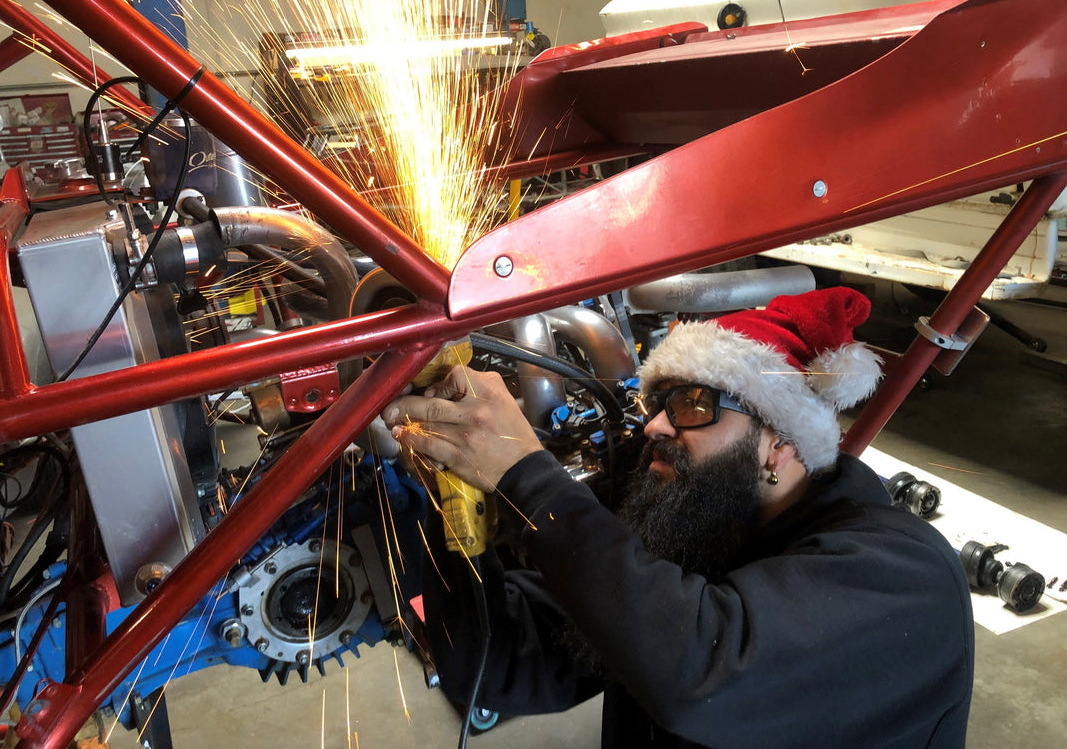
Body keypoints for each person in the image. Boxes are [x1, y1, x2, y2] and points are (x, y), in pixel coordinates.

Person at [382, 287, 974, 749]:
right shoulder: (693, 532)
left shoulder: (902, 573)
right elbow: (504, 668)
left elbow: (705, 670)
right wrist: (452, 500)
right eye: (659, 405)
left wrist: (530, 479)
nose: (656, 427)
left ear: (782, 443)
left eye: (694, 404)